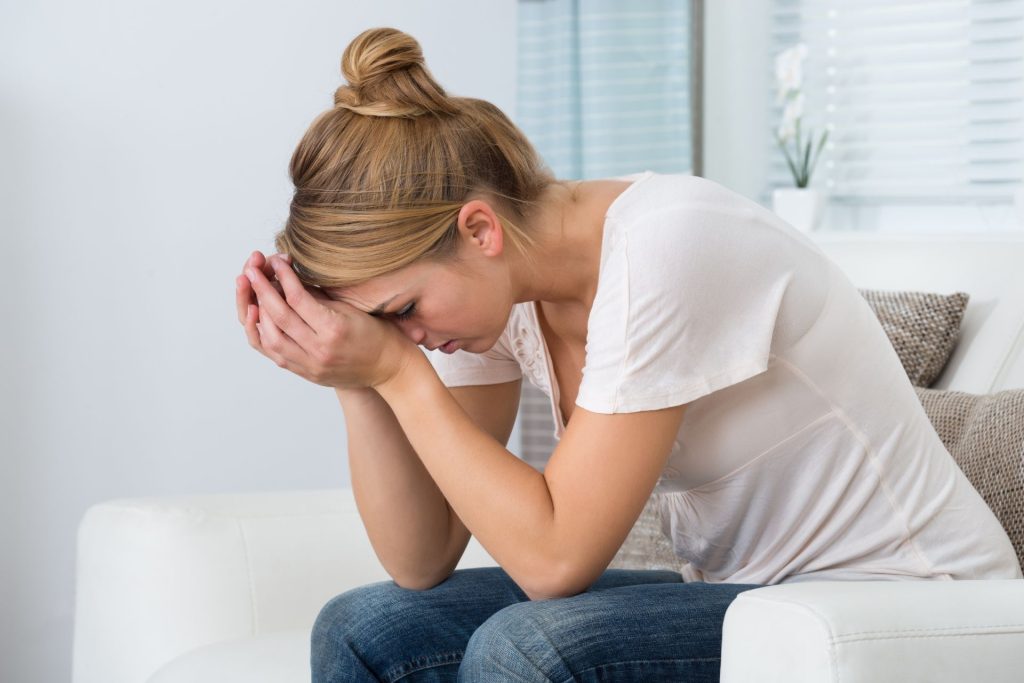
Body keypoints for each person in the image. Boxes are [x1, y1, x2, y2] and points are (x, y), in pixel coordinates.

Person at [234, 27, 1022, 683]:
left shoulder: (667, 241)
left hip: (906, 604)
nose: (409, 337)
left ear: (479, 230)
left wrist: (397, 375)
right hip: (752, 595)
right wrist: (353, 379)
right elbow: (420, 555)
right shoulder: (494, 295)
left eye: (402, 310)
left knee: (531, 651)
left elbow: (554, 560)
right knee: (367, 626)